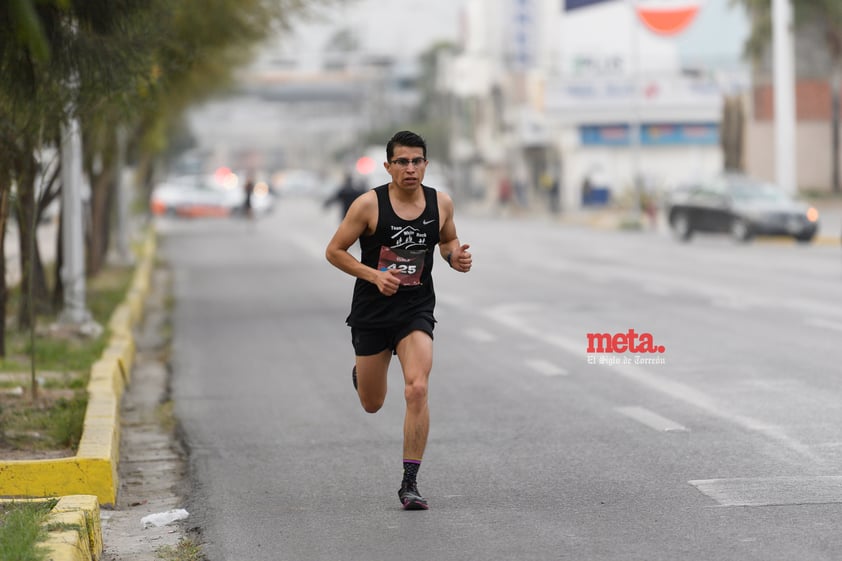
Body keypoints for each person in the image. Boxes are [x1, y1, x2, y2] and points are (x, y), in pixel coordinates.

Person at [325, 130, 472, 510]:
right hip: (372, 312)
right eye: (402, 162)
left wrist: (455, 257)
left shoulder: (441, 203)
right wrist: (374, 275)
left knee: (417, 388)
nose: (410, 168)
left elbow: (448, 242)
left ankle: (410, 482)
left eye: (417, 161)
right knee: (373, 403)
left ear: (426, 164)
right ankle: (363, 376)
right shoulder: (368, 205)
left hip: (415, 309)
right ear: (388, 166)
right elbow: (334, 251)